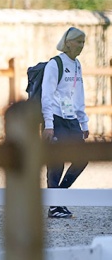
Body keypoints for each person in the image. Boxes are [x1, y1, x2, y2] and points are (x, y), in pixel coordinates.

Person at [41, 27, 89, 219]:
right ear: (68, 42)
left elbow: (78, 95)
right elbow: (47, 95)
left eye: (83, 42)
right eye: (79, 42)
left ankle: (56, 199)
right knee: (56, 163)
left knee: (82, 158)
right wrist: (49, 124)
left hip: (72, 120)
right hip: (56, 118)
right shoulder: (55, 64)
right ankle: (55, 206)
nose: (82, 46)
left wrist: (83, 123)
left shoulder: (77, 65)